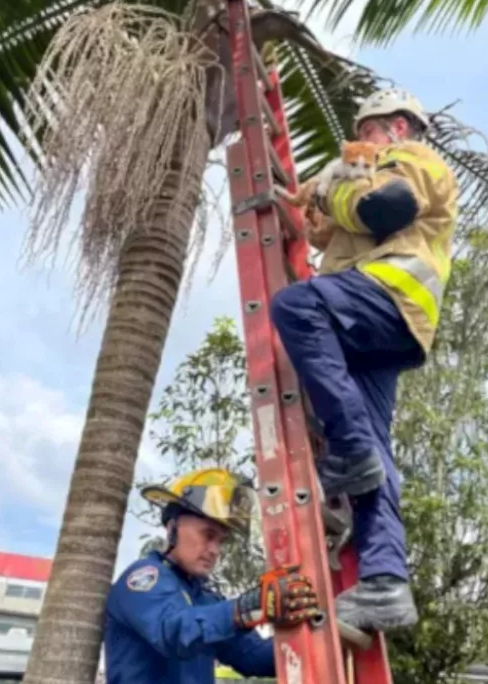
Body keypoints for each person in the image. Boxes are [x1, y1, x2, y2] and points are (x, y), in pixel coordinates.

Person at [272, 87, 458, 631]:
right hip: (377, 327)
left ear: (398, 127)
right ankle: (385, 583)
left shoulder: (413, 159)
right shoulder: (373, 169)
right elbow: (330, 228)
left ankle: (349, 450)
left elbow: (383, 209)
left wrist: (334, 188)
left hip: (386, 299)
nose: (361, 142)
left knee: (295, 306)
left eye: (369, 130)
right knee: (376, 449)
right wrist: (305, 201)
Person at [104, 468, 322, 684]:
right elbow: (174, 632)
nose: (215, 550)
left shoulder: (206, 599)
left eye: (221, 540)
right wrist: (250, 607)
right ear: (172, 528)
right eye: (208, 535)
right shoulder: (143, 579)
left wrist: (319, 633)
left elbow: (253, 657)